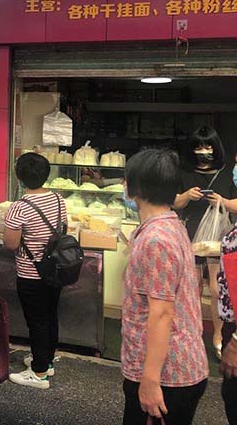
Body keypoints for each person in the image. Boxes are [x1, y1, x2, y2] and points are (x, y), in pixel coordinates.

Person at [121, 149, 208, 425]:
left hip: (166, 376)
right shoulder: (171, 225)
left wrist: (149, 380)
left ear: (133, 187)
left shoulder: (156, 239)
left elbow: (161, 313)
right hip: (174, 369)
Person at [4, 153, 67, 389]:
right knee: (50, 315)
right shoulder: (59, 200)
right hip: (54, 270)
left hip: (31, 273)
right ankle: (47, 360)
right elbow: (62, 228)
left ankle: (39, 373)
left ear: (19, 176)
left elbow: (10, 243)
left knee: (37, 321)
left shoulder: (19, 207)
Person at [173, 125, 234, 357]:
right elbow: (172, 202)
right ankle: (193, 334)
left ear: (215, 147)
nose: (203, 151)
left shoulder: (228, 173)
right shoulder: (183, 172)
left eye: (208, 146)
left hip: (219, 240)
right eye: (198, 146)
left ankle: (217, 336)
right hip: (189, 237)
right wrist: (186, 196)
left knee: (219, 290)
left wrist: (223, 202)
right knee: (192, 289)